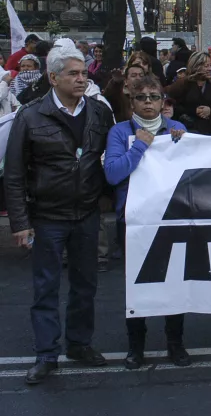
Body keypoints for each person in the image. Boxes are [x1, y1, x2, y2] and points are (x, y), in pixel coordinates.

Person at [5, 44, 115, 385]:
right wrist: (20, 223)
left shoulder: (99, 112)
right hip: (47, 216)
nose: (82, 79)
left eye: (83, 73)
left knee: (85, 285)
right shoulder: (30, 115)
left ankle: (80, 344)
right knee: (46, 287)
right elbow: (14, 174)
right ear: (53, 78)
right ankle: (46, 354)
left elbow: (111, 155)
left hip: (87, 214)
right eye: (73, 74)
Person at [103, 74, 190, 369]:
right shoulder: (119, 132)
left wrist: (181, 144)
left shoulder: (177, 128)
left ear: (163, 101)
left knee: (174, 281)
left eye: (155, 97)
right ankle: (135, 346)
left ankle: (175, 343)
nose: (149, 102)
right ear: (132, 102)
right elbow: (113, 173)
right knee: (137, 283)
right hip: (134, 219)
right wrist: (139, 146)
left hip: (171, 217)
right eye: (142, 97)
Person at [165, 51, 211, 135]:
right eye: (206, 66)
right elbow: (173, 106)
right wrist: (194, 111)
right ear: (195, 66)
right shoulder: (183, 85)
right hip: (187, 132)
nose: (210, 69)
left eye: (210, 65)